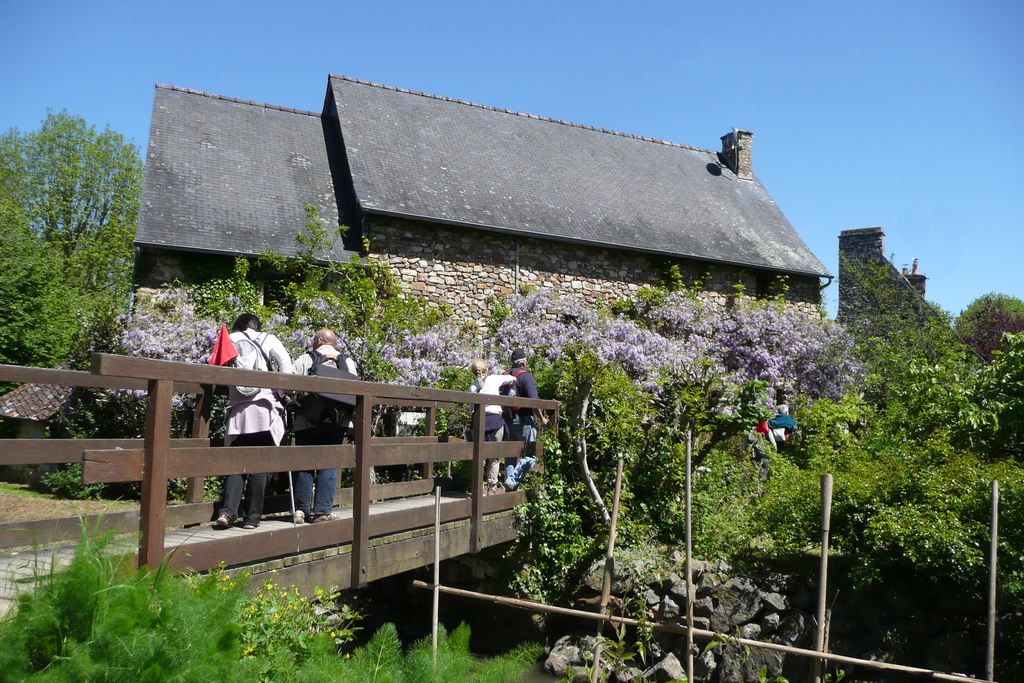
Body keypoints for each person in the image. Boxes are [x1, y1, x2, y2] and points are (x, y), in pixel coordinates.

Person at [215, 313, 293, 530]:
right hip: (264, 410)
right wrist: (280, 393)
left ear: (238, 326)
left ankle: (227, 513)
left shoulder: (229, 339)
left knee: (235, 464)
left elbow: (216, 369)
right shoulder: (268, 339)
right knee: (259, 466)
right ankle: (252, 518)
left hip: (239, 411)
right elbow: (287, 367)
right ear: (257, 326)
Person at [290, 329, 358, 523]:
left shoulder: (305, 359)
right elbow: (355, 389)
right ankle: (322, 511)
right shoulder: (348, 362)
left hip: (307, 420)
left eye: (313, 339)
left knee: (304, 464)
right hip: (337, 421)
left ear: (319, 341)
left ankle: (301, 511)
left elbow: (288, 384)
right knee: (328, 465)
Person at [503, 348, 548, 491]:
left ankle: (510, 490)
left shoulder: (504, 376)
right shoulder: (525, 377)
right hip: (523, 420)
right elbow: (533, 402)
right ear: (523, 363)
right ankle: (512, 480)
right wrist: (542, 419)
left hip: (507, 420)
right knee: (530, 455)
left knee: (510, 455)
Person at [468, 359, 515, 495]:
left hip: (479, 422)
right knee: (495, 457)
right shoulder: (494, 379)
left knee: (479, 456)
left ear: (473, 373)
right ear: (487, 370)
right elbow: (511, 379)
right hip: (496, 421)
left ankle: (477, 487)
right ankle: (492, 487)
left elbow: (471, 409)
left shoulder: (472, 388)